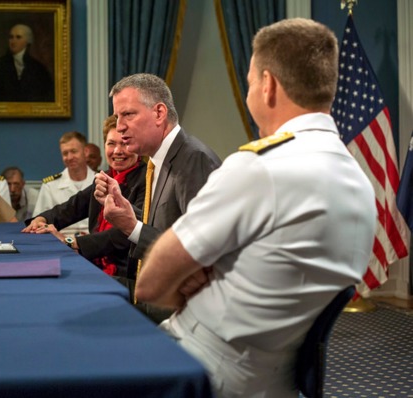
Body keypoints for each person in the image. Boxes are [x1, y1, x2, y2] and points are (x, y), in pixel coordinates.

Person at [132, 19, 377, 398]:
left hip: (197, 367)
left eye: (248, 83)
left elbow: (150, 283)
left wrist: (198, 273)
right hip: (275, 382)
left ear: (268, 85)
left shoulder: (262, 166)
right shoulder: (360, 185)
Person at [93, 73, 221, 320]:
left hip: (182, 319)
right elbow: (171, 226)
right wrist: (130, 215)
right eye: (118, 117)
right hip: (157, 309)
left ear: (159, 114)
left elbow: (200, 251)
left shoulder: (193, 159)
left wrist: (132, 227)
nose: (119, 126)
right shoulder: (158, 159)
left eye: (128, 114)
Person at [23, 115, 145, 277]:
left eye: (124, 143)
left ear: (137, 146)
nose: (117, 151)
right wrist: (41, 221)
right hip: (94, 266)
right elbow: (70, 208)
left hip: (127, 275)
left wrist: (71, 242)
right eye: (111, 144)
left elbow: (125, 234)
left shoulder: (147, 180)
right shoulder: (105, 177)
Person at [33, 131, 96, 235]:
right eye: (65, 153)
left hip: (95, 245)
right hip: (60, 244)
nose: (70, 157)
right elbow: (40, 223)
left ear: (85, 151)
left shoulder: (100, 181)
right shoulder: (50, 186)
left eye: (74, 151)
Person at [0, 23, 54, 102]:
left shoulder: (39, 69)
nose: (13, 41)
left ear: (28, 41)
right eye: (11, 37)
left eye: (18, 37)